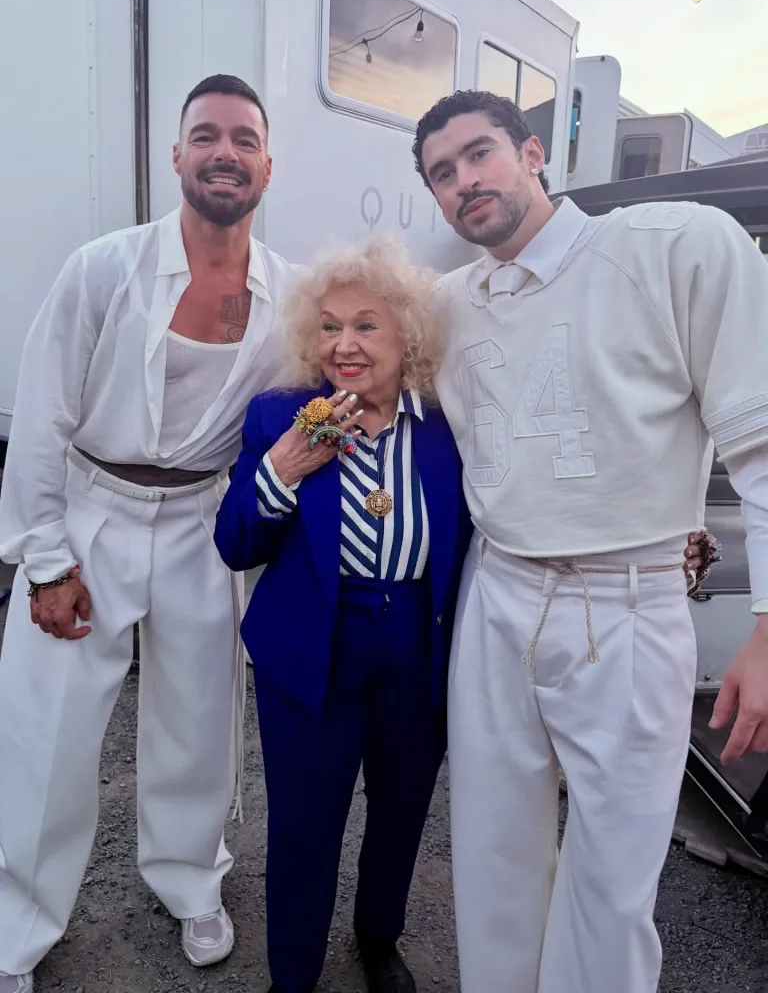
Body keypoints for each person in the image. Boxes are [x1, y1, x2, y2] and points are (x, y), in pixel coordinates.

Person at [410, 89, 768, 993]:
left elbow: (761, 444)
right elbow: (345, 344)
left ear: (534, 153)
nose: (464, 182)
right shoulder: (445, 304)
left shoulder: (671, 247)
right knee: (492, 853)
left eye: (479, 153)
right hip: (498, 595)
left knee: (611, 881)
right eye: (441, 174)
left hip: (629, 603)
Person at [0, 74, 296, 991]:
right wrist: (45, 560)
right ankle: (17, 924)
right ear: (176, 157)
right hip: (92, 509)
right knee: (47, 733)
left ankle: (189, 882)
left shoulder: (288, 293)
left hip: (203, 522)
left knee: (200, 721)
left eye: (243, 139)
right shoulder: (105, 267)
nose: (224, 153)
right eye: (205, 136)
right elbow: (41, 415)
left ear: (267, 165)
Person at [213, 236, 471, 993]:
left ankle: (378, 938)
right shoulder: (280, 417)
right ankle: (292, 973)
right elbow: (235, 544)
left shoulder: (447, 428)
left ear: (408, 336)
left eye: (366, 325)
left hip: (416, 640)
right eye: (329, 326)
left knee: (400, 809)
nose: (345, 345)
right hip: (312, 643)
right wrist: (284, 467)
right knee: (303, 821)